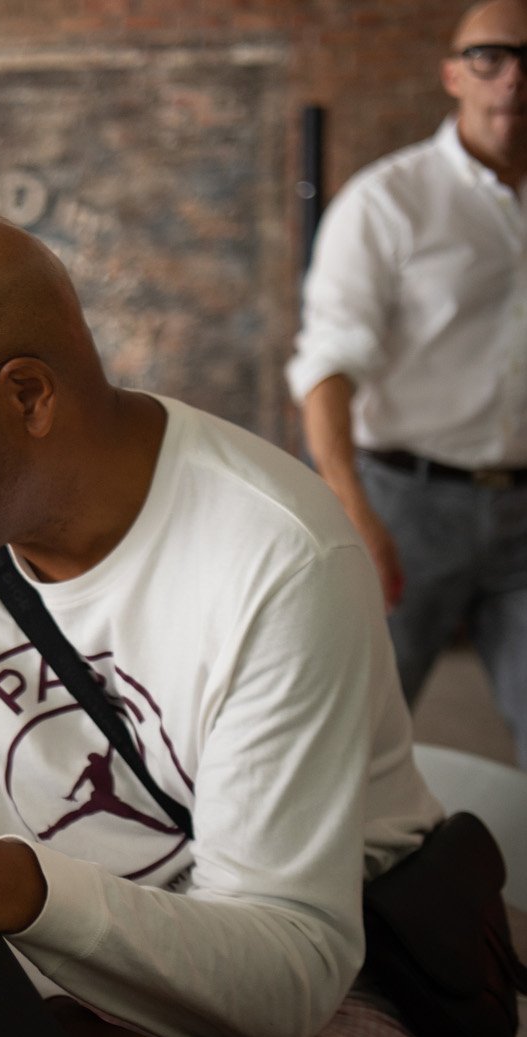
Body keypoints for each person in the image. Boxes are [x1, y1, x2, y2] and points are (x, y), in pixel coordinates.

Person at [0, 210, 459, 1037]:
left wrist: (19, 888)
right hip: (57, 975)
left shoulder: (276, 556)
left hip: (334, 994)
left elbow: (288, 981)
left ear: (27, 395)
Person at [287, 0, 527, 766]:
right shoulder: (386, 202)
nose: (514, 77)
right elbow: (325, 364)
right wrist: (350, 507)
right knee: (354, 737)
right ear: (451, 75)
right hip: (406, 502)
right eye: (489, 56)